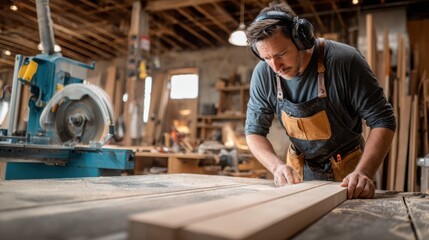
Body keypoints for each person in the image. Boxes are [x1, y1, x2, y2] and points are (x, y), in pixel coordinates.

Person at [244, 1, 396, 199]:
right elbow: (253, 132)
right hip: (298, 173)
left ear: (301, 39)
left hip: (348, 173)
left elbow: (383, 120)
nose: (276, 67)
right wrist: (277, 167)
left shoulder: (344, 60)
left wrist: (364, 172)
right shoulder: (264, 73)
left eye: (281, 54)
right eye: (266, 58)